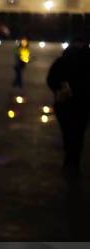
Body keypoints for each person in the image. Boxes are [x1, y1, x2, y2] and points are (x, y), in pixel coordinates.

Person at [47, 37, 90, 180]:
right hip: (83, 105)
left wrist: (60, 89)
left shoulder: (61, 62)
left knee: (67, 132)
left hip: (64, 104)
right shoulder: (86, 61)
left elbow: (51, 80)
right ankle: (74, 160)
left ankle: (68, 158)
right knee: (78, 134)